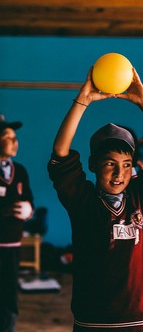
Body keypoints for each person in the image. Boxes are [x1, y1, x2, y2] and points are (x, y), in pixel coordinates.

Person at [47, 67, 143, 332]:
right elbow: (60, 156)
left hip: (138, 319)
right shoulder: (82, 200)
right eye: (110, 163)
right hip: (92, 319)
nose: (119, 172)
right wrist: (82, 101)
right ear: (93, 165)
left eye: (126, 164)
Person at [0, 115, 34, 332]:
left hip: (12, 245)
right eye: (7, 137)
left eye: (15, 137)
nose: (15, 142)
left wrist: (28, 210)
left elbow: (30, 199)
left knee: (8, 294)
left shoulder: (19, 170)